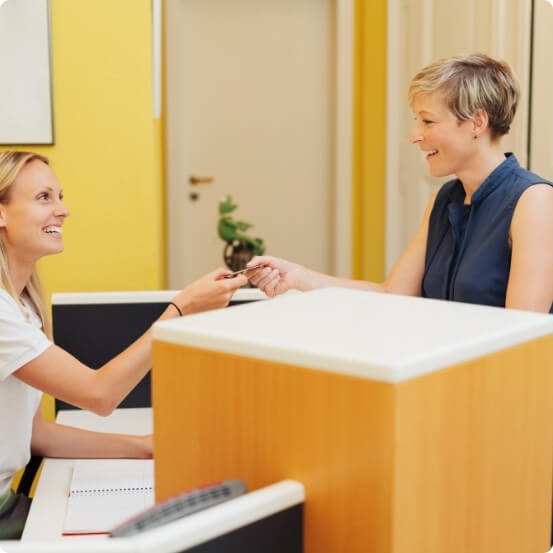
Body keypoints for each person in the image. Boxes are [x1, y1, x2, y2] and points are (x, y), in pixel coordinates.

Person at [0, 150, 248, 539]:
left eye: (60, 196)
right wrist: (180, 310)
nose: (63, 210)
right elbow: (98, 395)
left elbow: (36, 436)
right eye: (44, 197)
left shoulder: (24, 304)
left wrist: (142, 446)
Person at [247, 53, 553, 314]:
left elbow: (522, 334)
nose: (414, 135)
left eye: (428, 121)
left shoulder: (534, 202)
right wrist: (298, 277)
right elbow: (393, 294)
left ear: (477, 123)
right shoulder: (445, 199)